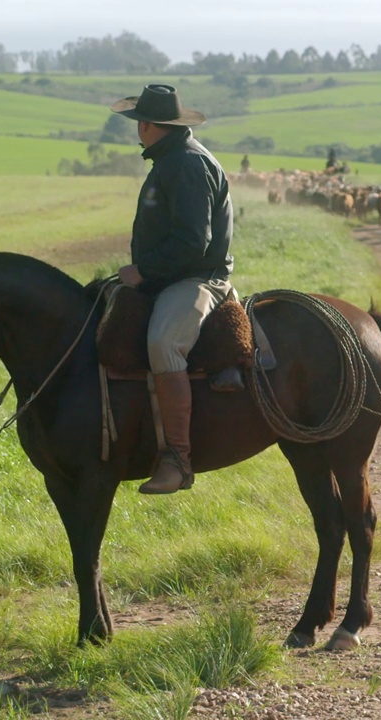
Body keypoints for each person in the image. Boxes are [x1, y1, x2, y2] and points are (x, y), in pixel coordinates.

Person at [110, 84, 235, 495]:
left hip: (197, 279)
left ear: (147, 125)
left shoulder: (185, 165)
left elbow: (192, 244)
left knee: (164, 341)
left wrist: (144, 272)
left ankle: (178, 459)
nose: (137, 131)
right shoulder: (171, 159)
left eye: (137, 124)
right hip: (172, 275)